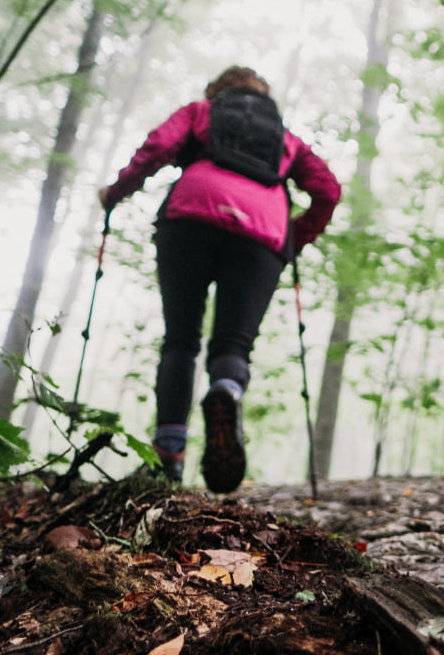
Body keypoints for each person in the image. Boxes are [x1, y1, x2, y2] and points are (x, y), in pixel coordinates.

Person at [100, 66, 341, 493]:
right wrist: (295, 238)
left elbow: (157, 147)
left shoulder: (200, 112)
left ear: (216, 91)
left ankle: (169, 457)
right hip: (262, 232)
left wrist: (115, 193)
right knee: (233, 344)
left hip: (191, 214)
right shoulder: (286, 139)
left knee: (180, 340)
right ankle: (226, 390)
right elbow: (328, 190)